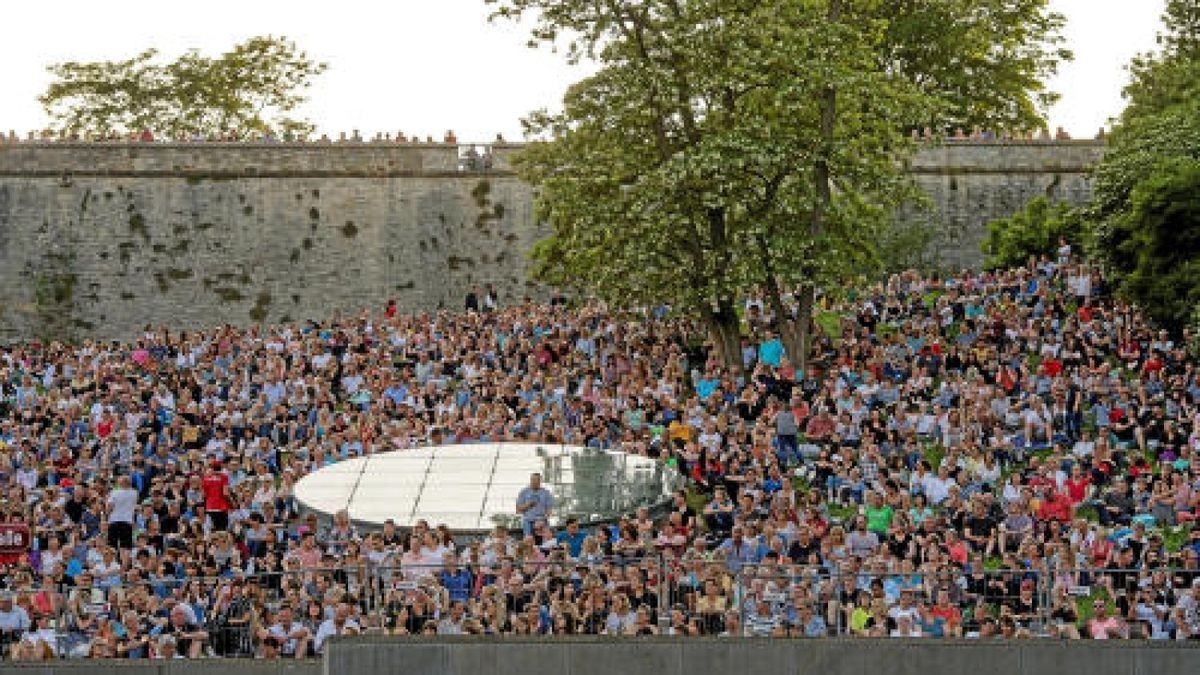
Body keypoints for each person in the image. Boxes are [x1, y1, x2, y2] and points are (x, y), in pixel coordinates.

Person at [106, 474, 138, 550]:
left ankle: (114, 560)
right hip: (127, 521)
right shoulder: (134, 493)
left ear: (121, 483)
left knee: (112, 545)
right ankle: (124, 562)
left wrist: (106, 514)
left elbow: (109, 507)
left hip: (114, 521)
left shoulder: (114, 493)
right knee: (126, 547)